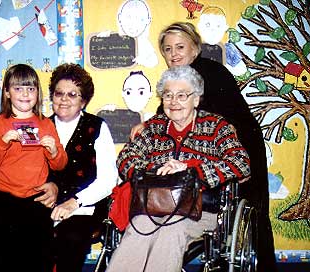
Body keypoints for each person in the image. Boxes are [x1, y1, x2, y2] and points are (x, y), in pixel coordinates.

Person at [130, 22, 276, 271]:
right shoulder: (179, 79)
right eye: (167, 49)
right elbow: (172, 111)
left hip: (239, 147)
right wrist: (149, 124)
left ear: (195, 48)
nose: (174, 54)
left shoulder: (210, 73)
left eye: (180, 47)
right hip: (211, 156)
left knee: (253, 218)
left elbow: (200, 118)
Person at [107, 65, 251, 272]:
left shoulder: (217, 126)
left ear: (196, 98)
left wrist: (191, 170)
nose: (174, 102)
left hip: (200, 209)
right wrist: (158, 170)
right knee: (140, 226)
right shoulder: (154, 127)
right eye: (168, 95)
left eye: (182, 95)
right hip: (154, 204)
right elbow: (126, 159)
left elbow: (241, 163)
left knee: (172, 228)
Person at [0, 64, 67, 272]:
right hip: (4, 202)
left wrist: (54, 151)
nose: (25, 93)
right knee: (5, 260)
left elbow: (60, 164)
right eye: (18, 88)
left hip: (37, 203)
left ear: (38, 93)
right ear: (7, 93)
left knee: (40, 259)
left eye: (31, 88)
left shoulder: (46, 124)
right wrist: (2, 143)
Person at [48, 63, 118, 272]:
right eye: (59, 93)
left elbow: (108, 180)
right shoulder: (41, 126)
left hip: (85, 207)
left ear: (83, 101)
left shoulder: (97, 126)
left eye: (72, 94)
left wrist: (74, 203)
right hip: (46, 206)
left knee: (71, 239)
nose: (64, 99)